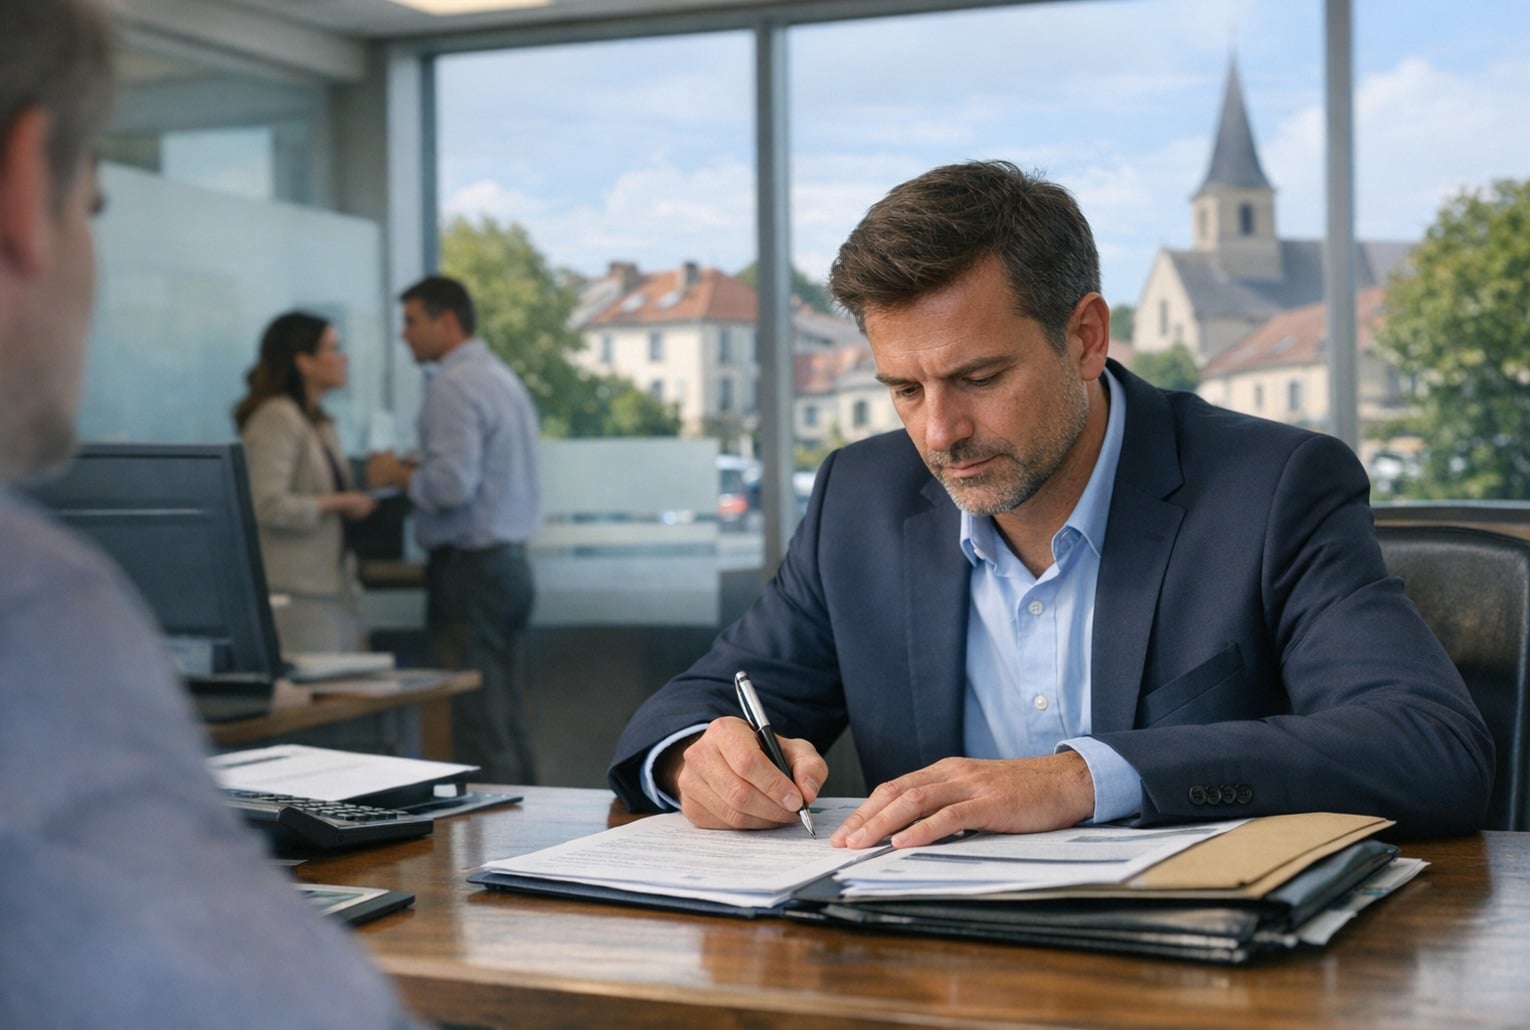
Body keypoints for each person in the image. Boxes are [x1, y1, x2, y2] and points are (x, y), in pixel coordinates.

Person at [608, 160, 1494, 847]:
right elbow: (692, 705)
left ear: (1085, 338)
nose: (940, 432)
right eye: (905, 389)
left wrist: (1081, 779)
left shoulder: (1273, 487)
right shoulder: (861, 501)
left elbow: (1429, 747)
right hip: (923, 970)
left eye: (979, 377)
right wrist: (696, 759)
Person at [0, 1, 418, 1025]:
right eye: (94, 207)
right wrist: (344, 495)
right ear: (24, 189)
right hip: (304, 604)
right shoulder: (33, 606)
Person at [368, 276, 541, 784]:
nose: (403, 334)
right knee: (506, 713)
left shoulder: (451, 385)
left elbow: (450, 486)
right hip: (509, 566)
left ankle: (496, 829)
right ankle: (531, 819)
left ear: (447, 322)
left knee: (477, 719)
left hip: (470, 575)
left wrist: (395, 474)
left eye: (411, 321)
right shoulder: (501, 378)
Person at [234, 311, 377, 653]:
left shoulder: (318, 422)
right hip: (295, 590)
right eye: (333, 348)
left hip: (332, 584)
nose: (344, 359)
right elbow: (265, 504)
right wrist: (339, 503)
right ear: (304, 361)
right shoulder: (277, 416)